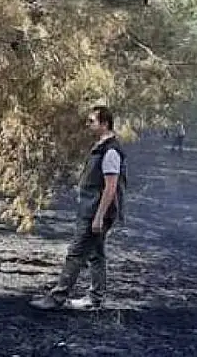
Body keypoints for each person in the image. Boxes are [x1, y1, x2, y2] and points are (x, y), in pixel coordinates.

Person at [31, 105, 126, 311]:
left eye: (92, 121)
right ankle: (95, 298)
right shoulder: (101, 148)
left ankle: (57, 297)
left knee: (76, 252)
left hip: (96, 211)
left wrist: (99, 217)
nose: (88, 125)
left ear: (104, 123)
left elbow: (110, 188)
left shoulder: (110, 152)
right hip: (90, 209)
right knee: (96, 253)